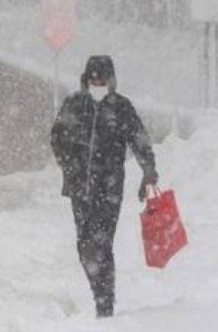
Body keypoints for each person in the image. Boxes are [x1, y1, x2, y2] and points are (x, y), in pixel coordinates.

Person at [50, 55, 158, 318]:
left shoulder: (121, 108)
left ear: (111, 81)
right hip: (79, 188)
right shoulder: (74, 105)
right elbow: (57, 138)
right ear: (86, 80)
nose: (97, 83)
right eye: (93, 79)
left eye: (102, 79)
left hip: (109, 190)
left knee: (101, 244)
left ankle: (104, 303)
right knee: (84, 244)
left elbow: (139, 139)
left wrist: (149, 170)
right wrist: (70, 165)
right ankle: (99, 291)